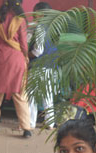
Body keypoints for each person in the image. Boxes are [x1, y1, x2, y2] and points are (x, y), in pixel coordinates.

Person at [0, 0, 32, 138]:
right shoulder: (20, 20)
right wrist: (25, 55)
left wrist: (0, 49)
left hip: (1, 58)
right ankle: (26, 128)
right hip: (17, 59)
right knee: (19, 93)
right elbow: (24, 44)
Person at [28, 2, 56, 130]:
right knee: (48, 95)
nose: (33, 15)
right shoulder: (55, 28)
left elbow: (38, 50)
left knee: (32, 95)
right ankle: (50, 123)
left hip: (38, 65)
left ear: (41, 13)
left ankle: (30, 123)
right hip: (51, 65)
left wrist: (27, 56)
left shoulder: (40, 28)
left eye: (35, 13)